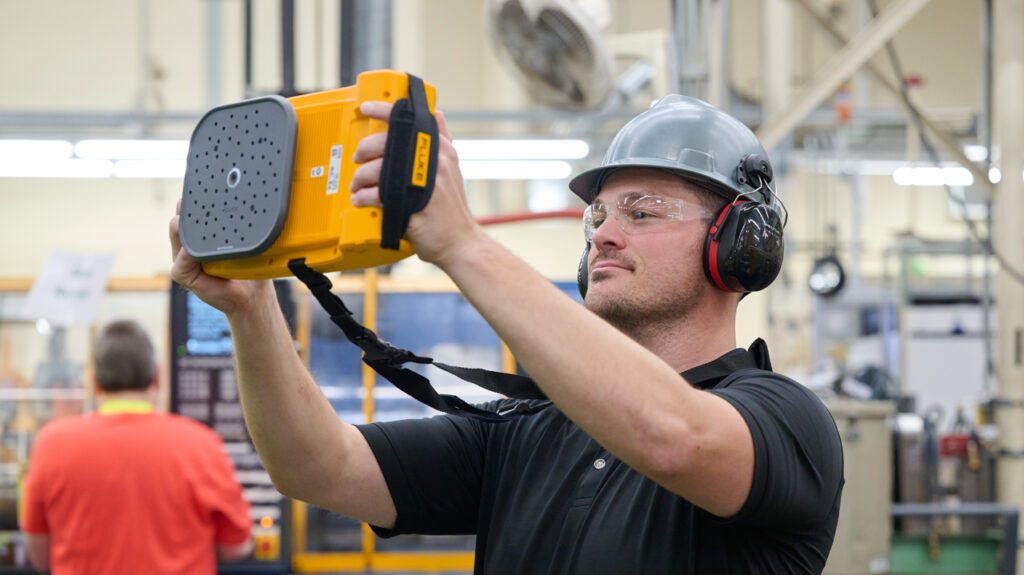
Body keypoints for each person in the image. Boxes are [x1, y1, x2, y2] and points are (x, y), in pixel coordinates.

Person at [170, 94, 844, 573]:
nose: (605, 231)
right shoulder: (524, 430)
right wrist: (250, 309)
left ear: (737, 244)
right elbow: (316, 465)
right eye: (599, 214)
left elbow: (673, 437)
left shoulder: (787, 423)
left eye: (643, 211)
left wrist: (462, 242)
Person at [20, 320, 253, 574]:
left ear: (94, 381)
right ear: (156, 377)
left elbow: (39, 554)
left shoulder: (51, 444)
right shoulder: (201, 444)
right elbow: (236, 547)